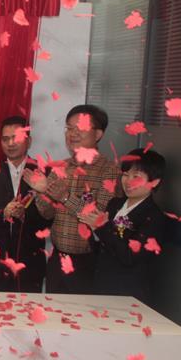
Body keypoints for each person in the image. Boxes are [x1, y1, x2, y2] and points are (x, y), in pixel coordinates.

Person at [23, 104, 121, 294]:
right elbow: (46, 213)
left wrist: (65, 197)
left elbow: (98, 217)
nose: (72, 134)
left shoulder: (109, 171)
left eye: (80, 128)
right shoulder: (61, 167)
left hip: (89, 262)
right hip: (57, 260)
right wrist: (43, 191)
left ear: (98, 134)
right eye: (69, 128)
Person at [79, 148, 167, 303]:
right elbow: (102, 247)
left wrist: (100, 228)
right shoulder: (115, 204)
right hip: (101, 286)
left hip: (128, 294)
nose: (128, 181)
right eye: (126, 174)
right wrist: (93, 229)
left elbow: (130, 257)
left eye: (136, 176)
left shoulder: (153, 217)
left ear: (155, 181)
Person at [0, 116, 51, 292]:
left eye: (16, 138)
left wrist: (41, 195)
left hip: (30, 260)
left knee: (28, 307)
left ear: (29, 141)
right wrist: (3, 212)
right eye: (5, 139)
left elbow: (51, 216)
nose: (10, 143)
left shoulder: (44, 172)